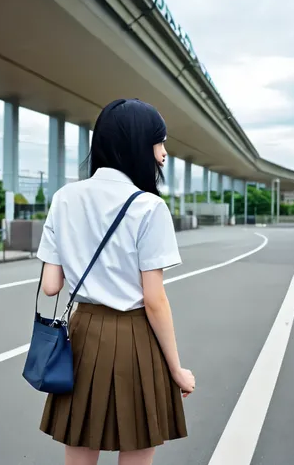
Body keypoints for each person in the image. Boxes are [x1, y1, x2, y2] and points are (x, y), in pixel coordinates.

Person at [36, 98, 195, 465]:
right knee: (137, 444)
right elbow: (154, 300)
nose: (164, 153)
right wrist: (177, 370)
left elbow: (50, 285)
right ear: (140, 145)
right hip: (136, 337)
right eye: (160, 142)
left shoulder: (64, 198)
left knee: (80, 440)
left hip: (83, 335)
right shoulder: (149, 207)